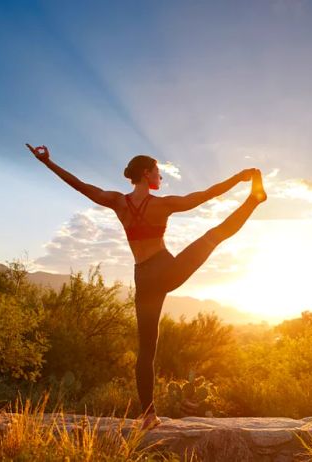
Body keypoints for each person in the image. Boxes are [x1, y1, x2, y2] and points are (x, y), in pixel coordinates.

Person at [25, 143, 267, 430]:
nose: (160, 178)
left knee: (146, 350)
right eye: (158, 172)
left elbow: (80, 186)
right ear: (146, 173)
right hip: (166, 270)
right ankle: (254, 199)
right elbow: (203, 196)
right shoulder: (162, 204)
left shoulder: (118, 202)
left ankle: (148, 414)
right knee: (213, 236)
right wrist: (237, 178)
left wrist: (47, 163)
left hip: (143, 278)